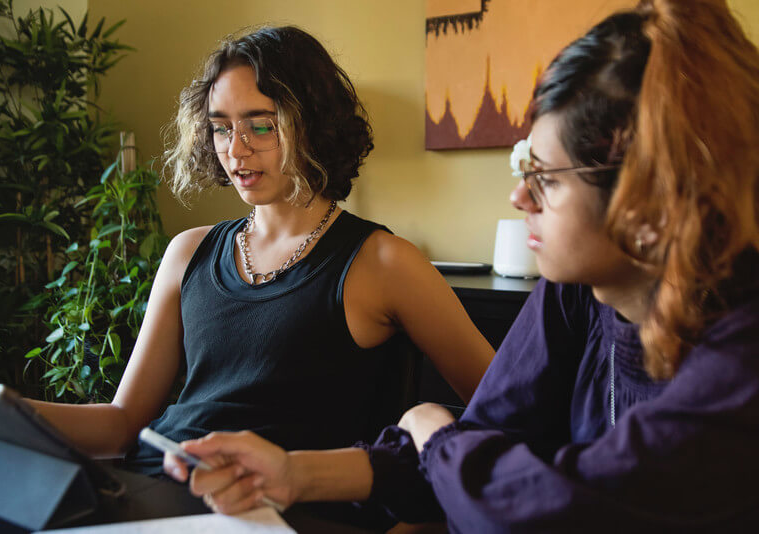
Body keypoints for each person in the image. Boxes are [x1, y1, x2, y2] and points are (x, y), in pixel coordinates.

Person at [171, 0, 759, 530]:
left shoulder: (741, 357)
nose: (519, 199)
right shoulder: (580, 291)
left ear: (649, 204)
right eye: (522, 167)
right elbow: (483, 436)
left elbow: (541, 507)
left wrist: (433, 428)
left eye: (544, 179)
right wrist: (293, 473)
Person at [26, 26, 493, 476]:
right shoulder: (188, 252)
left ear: (313, 125)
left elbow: (505, 402)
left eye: (261, 127)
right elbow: (121, 425)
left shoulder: (384, 263)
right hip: (155, 490)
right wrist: (2, 411)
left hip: (281, 510)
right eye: (221, 128)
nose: (236, 150)